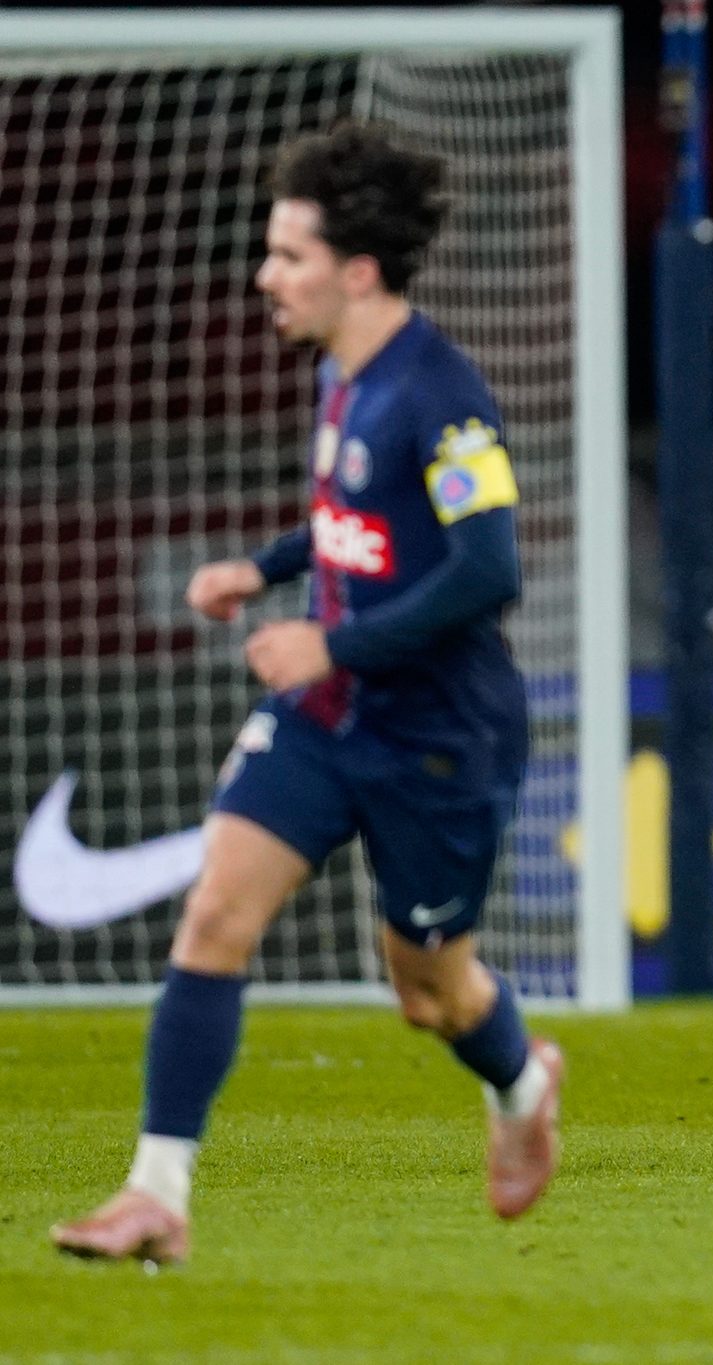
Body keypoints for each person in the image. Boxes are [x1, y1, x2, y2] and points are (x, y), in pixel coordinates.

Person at [51, 122, 561, 1264]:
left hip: (440, 736)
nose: (265, 276)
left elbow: (488, 570)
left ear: (358, 271)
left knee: (432, 994)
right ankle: (157, 1194)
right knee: (215, 917)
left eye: (288, 255)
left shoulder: (443, 397)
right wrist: (266, 568)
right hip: (327, 721)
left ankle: (524, 1084)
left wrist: (331, 643)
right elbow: (354, 521)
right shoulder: (342, 371)